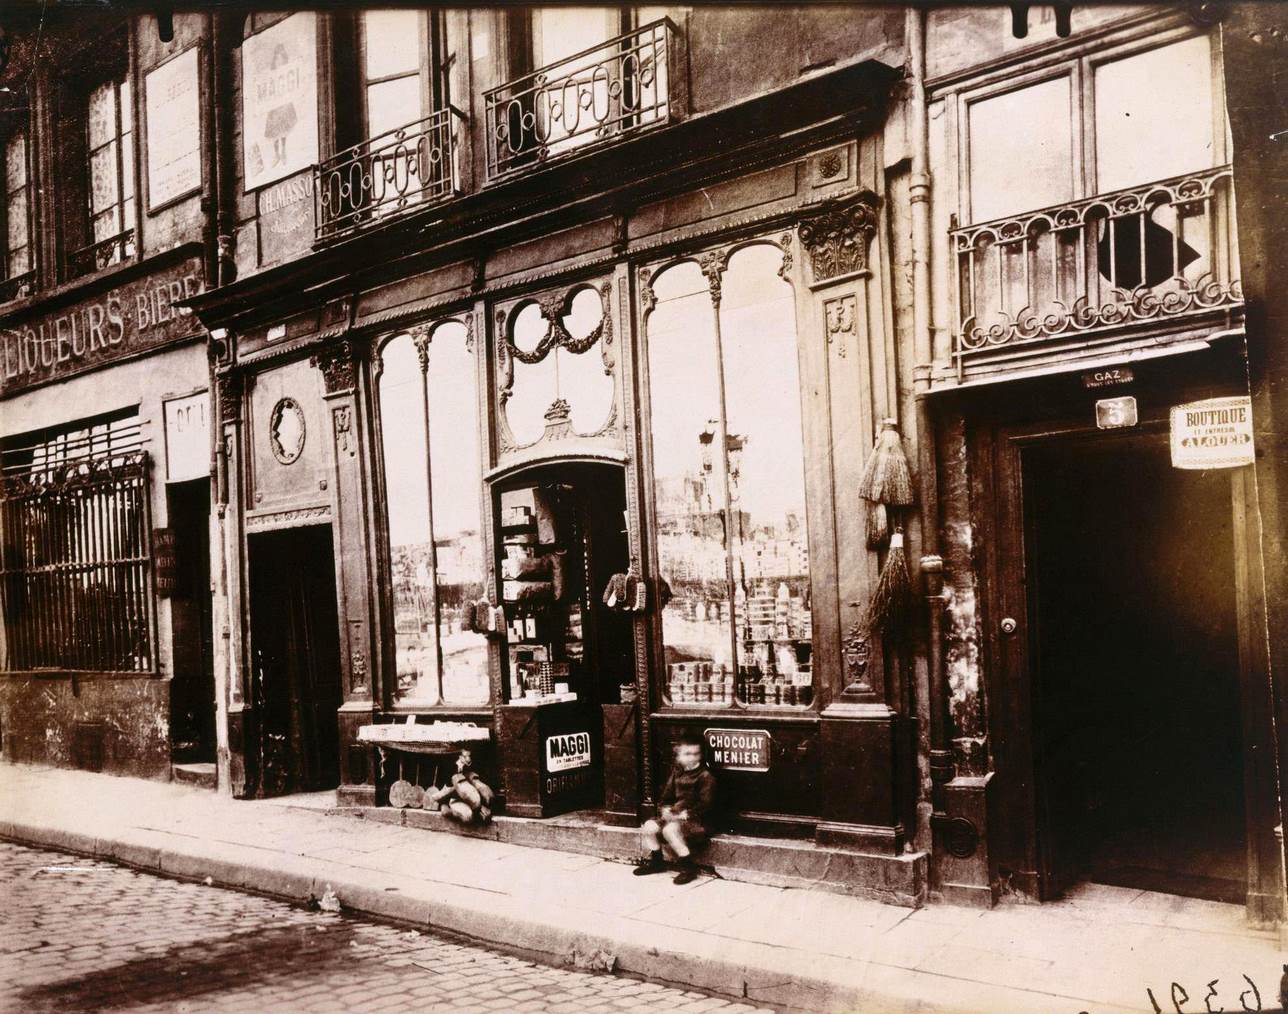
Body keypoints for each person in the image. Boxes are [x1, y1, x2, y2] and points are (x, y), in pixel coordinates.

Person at [633, 734, 717, 885]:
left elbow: (707, 804)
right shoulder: (677, 774)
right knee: (648, 827)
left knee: (669, 830)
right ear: (678, 756)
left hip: (697, 820)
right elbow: (666, 798)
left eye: (696, 754)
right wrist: (665, 809)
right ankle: (657, 861)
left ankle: (687, 867)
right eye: (687, 754)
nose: (692, 758)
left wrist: (687, 814)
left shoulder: (705, 776)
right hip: (674, 815)